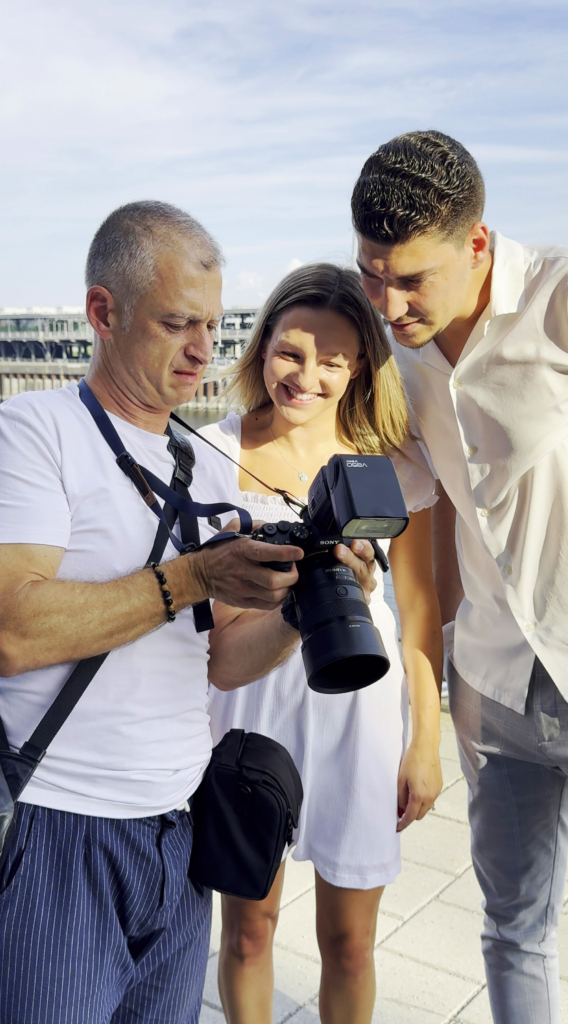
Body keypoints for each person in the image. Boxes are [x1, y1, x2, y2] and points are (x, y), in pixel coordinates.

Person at [0, 202, 376, 1024]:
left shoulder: (196, 460)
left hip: (178, 830)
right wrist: (195, 576)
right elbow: (11, 631)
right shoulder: (31, 432)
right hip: (62, 824)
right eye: (176, 324)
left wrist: (300, 606)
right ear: (103, 312)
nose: (202, 350)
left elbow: (223, 661)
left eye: (210, 324)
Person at [351, 129, 568, 1024]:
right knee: (514, 926)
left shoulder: (555, 298)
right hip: (496, 688)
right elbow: (405, 510)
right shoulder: (397, 354)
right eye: (372, 274)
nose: (389, 302)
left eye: (411, 279)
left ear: (477, 245)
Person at [191, 263, 443, 1024]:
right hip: (248, 705)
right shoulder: (207, 452)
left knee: (353, 944)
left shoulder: (394, 464)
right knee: (246, 933)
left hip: (360, 706)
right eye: (290, 352)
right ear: (261, 342)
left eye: (332, 361)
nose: (306, 377)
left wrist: (424, 741)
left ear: (361, 362)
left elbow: (424, 611)